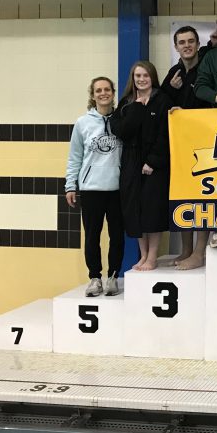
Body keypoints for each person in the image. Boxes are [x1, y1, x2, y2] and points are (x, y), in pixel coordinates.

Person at [111, 61, 173, 271]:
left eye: (145, 75)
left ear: (152, 77)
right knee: (134, 209)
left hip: (154, 163)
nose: (141, 79)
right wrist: (137, 106)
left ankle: (153, 255)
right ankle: (143, 254)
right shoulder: (127, 102)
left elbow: (165, 134)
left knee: (151, 210)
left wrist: (153, 161)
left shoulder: (162, 100)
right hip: (130, 161)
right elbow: (121, 130)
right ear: (133, 78)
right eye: (138, 76)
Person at [65, 77, 124, 297]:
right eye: (98, 90)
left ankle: (113, 277)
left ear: (113, 92)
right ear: (93, 94)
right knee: (92, 236)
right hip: (91, 189)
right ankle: (95, 278)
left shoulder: (121, 118)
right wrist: (70, 185)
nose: (103, 93)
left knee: (117, 235)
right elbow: (74, 157)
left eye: (107, 89)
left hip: (117, 189)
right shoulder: (83, 123)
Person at [161, 26, 211, 269]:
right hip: (181, 146)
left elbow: (211, 98)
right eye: (182, 42)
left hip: (204, 142)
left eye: (191, 41)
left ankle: (200, 252)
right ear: (176, 46)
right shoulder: (174, 73)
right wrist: (172, 89)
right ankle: (186, 249)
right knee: (184, 196)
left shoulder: (207, 66)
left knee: (202, 197)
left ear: (198, 44)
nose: (187, 45)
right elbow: (162, 104)